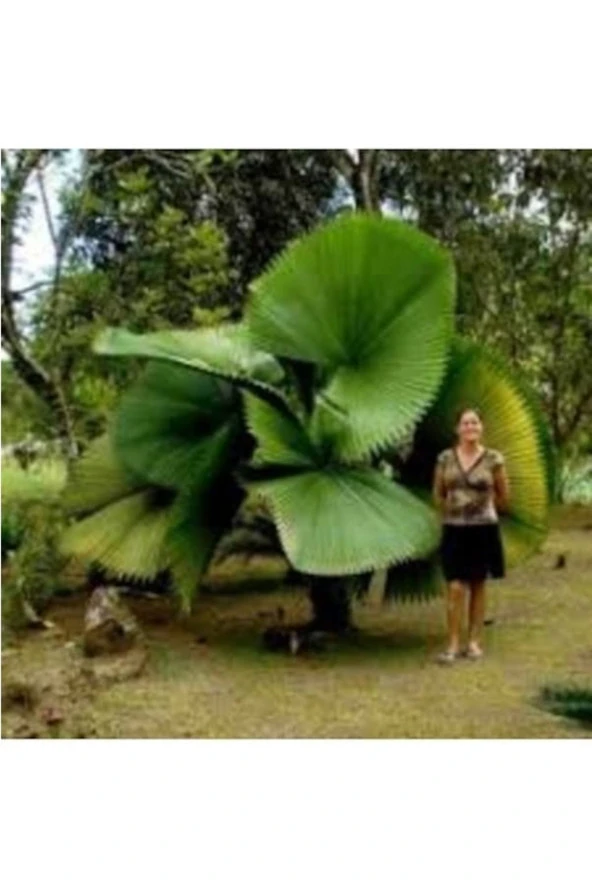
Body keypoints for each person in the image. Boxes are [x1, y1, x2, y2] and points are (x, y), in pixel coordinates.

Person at [432, 407, 510, 664]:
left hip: (483, 529)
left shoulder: (493, 459)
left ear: (481, 427)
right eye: (465, 423)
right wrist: (453, 513)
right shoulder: (445, 458)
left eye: (475, 423)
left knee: (478, 583)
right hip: (454, 529)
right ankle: (453, 643)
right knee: (455, 585)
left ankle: (474, 642)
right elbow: (438, 493)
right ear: (458, 429)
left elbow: (503, 495)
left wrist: (483, 512)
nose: (470, 428)